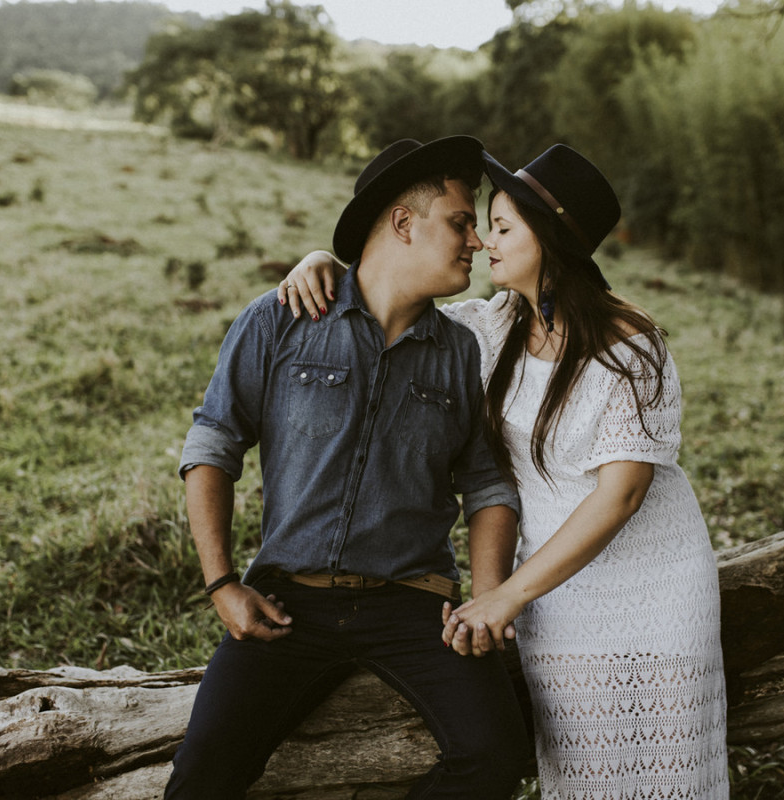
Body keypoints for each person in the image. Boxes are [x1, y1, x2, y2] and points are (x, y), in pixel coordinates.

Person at [280, 144, 729, 799]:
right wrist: (326, 262)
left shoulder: (632, 346)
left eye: (501, 228)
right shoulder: (493, 327)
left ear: (549, 240)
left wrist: (506, 595)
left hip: (652, 584)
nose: (484, 243)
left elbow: (621, 496)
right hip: (557, 592)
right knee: (585, 772)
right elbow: (386, 304)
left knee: (668, 771)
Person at [167, 136, 531, 799]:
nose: (476, 242)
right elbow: (214, 442)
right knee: (201, 775)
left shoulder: (463, 351)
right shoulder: (281, 319)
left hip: (415, 605)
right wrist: (221, 582)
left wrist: (483, 601)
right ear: (402, 223)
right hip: (287, 605)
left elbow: (486, 483)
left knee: (496, 754)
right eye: (460, 222)